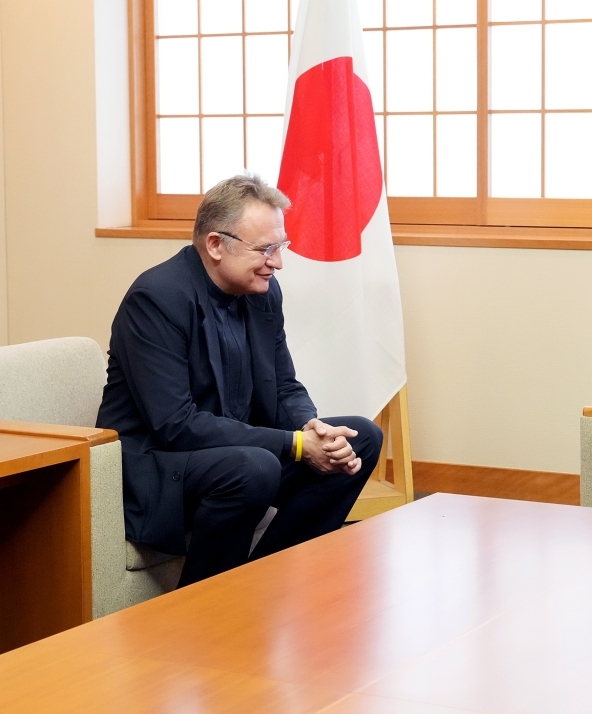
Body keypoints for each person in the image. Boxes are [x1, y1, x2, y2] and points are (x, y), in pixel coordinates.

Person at [97, 174, 382, 586]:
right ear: (216, 244)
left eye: (280, 246)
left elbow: (283, 385)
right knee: (254, 467)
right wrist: (297, 445)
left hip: (238, 454)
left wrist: (312, 428)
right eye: (265, 249)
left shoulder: (263, 292)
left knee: (362, 437)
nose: (278, 263)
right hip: (160, 466)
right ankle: (207, 601)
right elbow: (175, 425)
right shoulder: (157, 298)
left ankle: (270, 580)